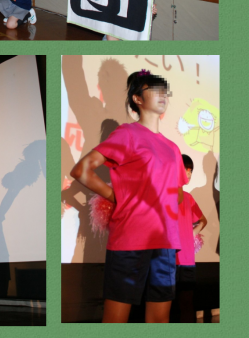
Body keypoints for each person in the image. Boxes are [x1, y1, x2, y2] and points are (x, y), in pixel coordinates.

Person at [70, 70, 187, 323]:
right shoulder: (127, 134)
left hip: (166, 241)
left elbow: (177, 195)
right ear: (137, 99)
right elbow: (81, 170)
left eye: (164, 90)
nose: (162, 95)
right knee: (116, 321)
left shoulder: (173, 147)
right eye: (153, 89)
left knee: (159, 320)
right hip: (131, 239)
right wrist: (116, 196)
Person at [171, 154, 207, 323]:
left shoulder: (189, 198)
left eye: (191, 170)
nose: (189, 173)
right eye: (186, 169)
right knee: (165, 305)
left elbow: (203, 220)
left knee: (186, 303)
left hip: (186, 260)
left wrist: (191, 234)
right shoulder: (165, 194)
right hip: (167, 259)